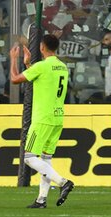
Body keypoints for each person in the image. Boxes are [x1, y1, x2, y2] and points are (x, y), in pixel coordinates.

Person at [10, 34, 74, 208]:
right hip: (57, 118)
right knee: (45, 159)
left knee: (29, 157)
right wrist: (28, 65)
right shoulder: (62, 67)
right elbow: (43, 80)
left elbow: (15, 79)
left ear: (42, 47)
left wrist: (13, 59)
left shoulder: (42, 66)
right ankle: (41, 199)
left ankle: (63, 182)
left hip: (42, 118)